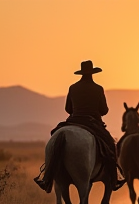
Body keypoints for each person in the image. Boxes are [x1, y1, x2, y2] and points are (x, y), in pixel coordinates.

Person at [35, 60, 126, 191]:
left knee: (54, 135)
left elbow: (68, 108)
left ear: (81, 73)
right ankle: (115, 178)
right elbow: (104, 110)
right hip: (92, 122)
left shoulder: (73, 88)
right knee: (111, 145)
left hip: (74, 120)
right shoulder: (98, 88)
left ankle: (46, 176)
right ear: (93, 73)